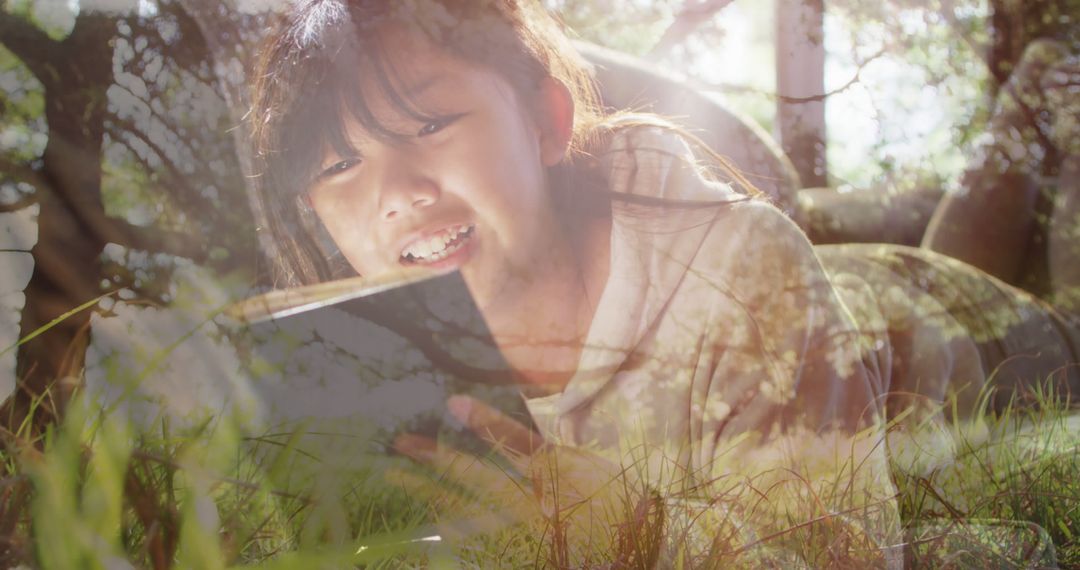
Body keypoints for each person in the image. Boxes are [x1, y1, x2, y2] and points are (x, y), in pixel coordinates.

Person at [245, 0, 1079, 565]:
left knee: (1035, 281)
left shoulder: (745, 274)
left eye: (430, 124)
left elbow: (846, 557)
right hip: (819, 303)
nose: (395, 194)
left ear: (545, 119)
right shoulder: (355, 357)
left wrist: (631, 528)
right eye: (340, 164)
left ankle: (1048, 72)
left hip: (950, 327)